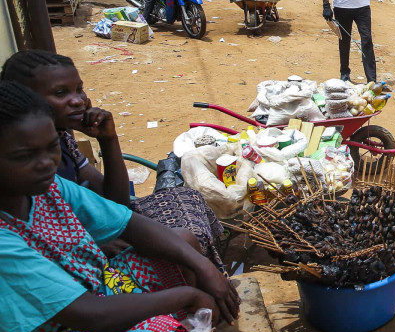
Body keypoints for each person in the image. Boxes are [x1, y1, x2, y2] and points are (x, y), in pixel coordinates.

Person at [0, 81, 240, 332]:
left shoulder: (49, 187)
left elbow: (129, 223)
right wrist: (189, 295)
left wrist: (204, 267)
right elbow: (94, 316)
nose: (46, 162)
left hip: (97, 289)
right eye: (24, 156)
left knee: (183, 242)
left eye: (51, 147)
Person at [1, 51, 230, 271]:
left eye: (79, 90)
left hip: (98, 223)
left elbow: (116, 201)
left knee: (188, 198)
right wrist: (97, 243)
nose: (78, 101)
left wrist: (108, 140)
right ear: (27, 100)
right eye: (61, 93)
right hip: (79, 251)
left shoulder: (63, 142)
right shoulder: (31, 169)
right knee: (185, 239)